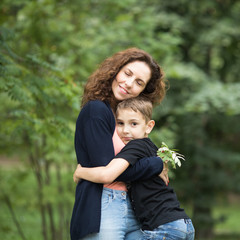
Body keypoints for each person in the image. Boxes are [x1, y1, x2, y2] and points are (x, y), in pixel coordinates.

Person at [70, 48, 168, 240]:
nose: (129, 83)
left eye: (139, 82)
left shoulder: (125, 120)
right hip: (103, 206)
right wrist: (156, 164)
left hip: (135, 209)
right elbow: (109, 170)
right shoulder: (97, 110)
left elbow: (141, 155)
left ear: (143, 91)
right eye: (127, 73)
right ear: (115, 70)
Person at [73, 97, 195, 240]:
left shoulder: (135, 145)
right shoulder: (151, 148)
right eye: (120, 123)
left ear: (149, 126)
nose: (125, 130)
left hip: (163, 227)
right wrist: (157, 163)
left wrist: (81, 172)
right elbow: (135, 172)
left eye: (134, 124)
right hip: (181, 223)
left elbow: (110, 174)